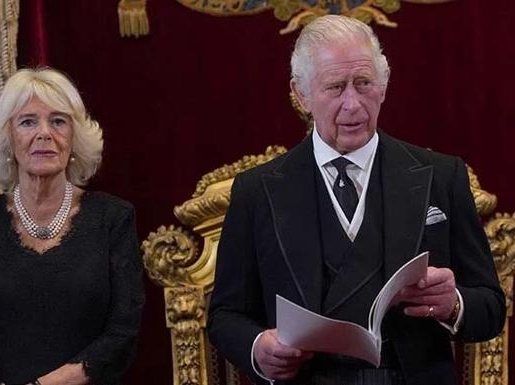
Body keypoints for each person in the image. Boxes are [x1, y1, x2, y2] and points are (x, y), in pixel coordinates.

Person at [208, 15, 505, 385]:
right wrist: (257, 347)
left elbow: (491, 308)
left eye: (364, 84)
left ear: (383, 86)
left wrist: (453, 303)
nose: (353, 104)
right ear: (301, 94)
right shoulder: (256, 191)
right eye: (335, 87)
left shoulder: (441, 176)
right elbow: (225, 315)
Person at [0, 68, 145, 385]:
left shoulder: (113, 218)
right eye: (28, 121)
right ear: (8, 137)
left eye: (58, 121)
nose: (44, 133)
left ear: (75, 137)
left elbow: (123, 331)